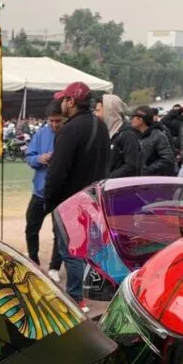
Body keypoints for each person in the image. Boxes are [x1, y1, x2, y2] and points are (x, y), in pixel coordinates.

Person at [44, 82, 110, 306]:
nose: (62, 103)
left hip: (71, 200)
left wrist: (49, 201)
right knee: (87, 250)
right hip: (94, 197)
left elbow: (57, 172)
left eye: (64, 99)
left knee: (71, 251)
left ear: (71, 101)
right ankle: (88, 295)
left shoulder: (70, 129)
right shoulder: (100, 125)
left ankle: (75, 300)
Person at [25, 100, 65, 281]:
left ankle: (55, 267)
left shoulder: (70, 135)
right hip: (40, 192)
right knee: (31, 228)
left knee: (60, 233)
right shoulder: (41, 134)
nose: (55, 124)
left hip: (61, 194)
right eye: (52, 121)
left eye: (58, 121)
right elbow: (29, 157)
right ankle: (33, 261)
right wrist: (40, 159)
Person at [97, 94, 141, 178]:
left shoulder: (127, 134)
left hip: (122, 187)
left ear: (109, 111)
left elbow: (131, 166)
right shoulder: (109, 134)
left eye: (98, 110)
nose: (96, 114)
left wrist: (107, 178)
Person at [134, 107, 177, 176]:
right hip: (140, 179)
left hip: (155, 179)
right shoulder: (134, 135)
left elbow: (167, 158)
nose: (131, 120)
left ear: (141, 120)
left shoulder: (158, 135)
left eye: (133, 117)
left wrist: (147, 170)